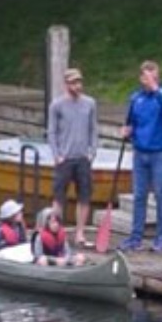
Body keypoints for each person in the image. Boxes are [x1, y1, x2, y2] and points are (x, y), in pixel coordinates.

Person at [119, 60, 162, 253]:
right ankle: (136, 238)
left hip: (160, 152)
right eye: (147, 75)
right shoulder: (135, 98)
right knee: (139, 196)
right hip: (140, 152)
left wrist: (156, 90)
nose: (150, 78)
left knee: (161, 195)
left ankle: (161, 238)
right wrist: (127, 132)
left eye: (154, 75)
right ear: (141, 77)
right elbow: (132, 122)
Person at [47, 67, 98, 247]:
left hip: (83, 157)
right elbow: (51, 132)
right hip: (65, 158)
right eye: (74, 83)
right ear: (67, 84)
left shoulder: (90, 103)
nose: (78, 86)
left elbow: (93, 129)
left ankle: (80, 233)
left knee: (84, 196)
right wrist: (57, 154)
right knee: (59, 196)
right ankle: (56, 231)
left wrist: (93, 151)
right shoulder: (57, 105)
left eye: (79, 82)